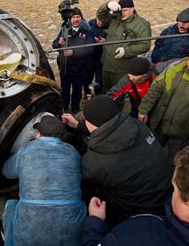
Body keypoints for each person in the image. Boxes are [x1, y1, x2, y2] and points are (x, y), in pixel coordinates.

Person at [62, 95, 173, 227]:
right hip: (168, 196)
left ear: (89, 122)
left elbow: (77, 180)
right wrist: (79, 126)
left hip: (139, 214)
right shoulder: (138, 126)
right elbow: (107, 129)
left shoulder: (95, 162)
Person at [0, 115, 86, 246]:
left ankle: (7, 235)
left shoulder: (26, 151)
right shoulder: (74, 153)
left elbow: (6, 172)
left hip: (28, 240)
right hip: (71, 236)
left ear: (38, 134)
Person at [96, 0, 152, 92]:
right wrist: (108, 5)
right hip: (106, 64)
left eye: (125, 10)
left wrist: (126, 51)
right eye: (120, 10)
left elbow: (145, 45)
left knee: (118, 93)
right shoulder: (115, 18)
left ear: (133, 9)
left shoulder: (141, 25)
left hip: (121, 68)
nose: (122, 13)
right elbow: (100, 15)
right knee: (106, 90)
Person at [52, 7, 94, 113]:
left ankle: (75, 108)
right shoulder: (64, 30)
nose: (76, 19)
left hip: (79, 69)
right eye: (73, 17)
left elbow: (90, 49)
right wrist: (59, 43)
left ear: (81, 18)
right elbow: (55, 44)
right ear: (70, 19)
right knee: (64, 89)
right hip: (64, 68)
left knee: (77, 90)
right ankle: (64, 106)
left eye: (78, 17)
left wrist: (73, 53)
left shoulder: (86, 31)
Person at [84, 17, 108, 96]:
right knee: (87, 78)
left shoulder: (109, 26)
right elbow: (85, 35)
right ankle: (87, 94)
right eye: (99, 20)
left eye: (103, 22)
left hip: (101, 58)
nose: (101, 23)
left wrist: (105, 41)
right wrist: (93, 39)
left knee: (99, 80)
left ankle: (99, 95)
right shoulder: (90, 23)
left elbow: (112, 39)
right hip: (89, 57)